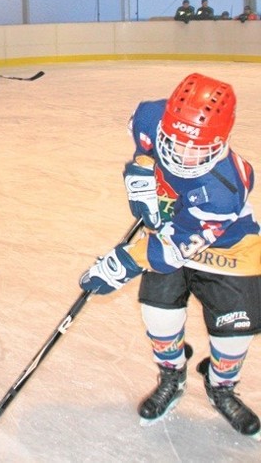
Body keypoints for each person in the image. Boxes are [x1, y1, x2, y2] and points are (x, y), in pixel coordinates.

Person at [79, 73, 261, 440]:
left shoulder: (225, 188)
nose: (182, 154)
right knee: (158, 317)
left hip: (228, 249)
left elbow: (167, 253)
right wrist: (143, 169)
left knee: (233, 339)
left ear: (221, 141)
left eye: (197, 149)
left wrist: (120, 264)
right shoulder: (150, 117)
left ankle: (221, 386)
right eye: (173, 142)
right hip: (170, 232)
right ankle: (172, 375)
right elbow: (146, 146)